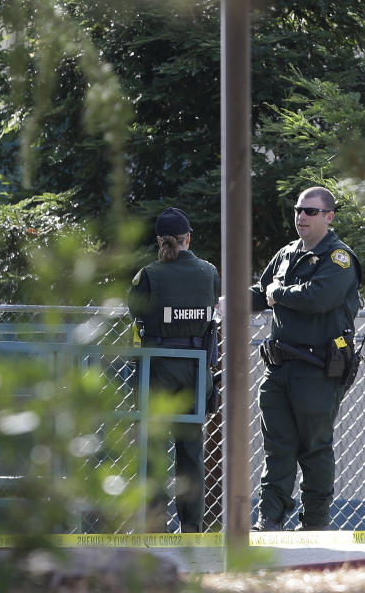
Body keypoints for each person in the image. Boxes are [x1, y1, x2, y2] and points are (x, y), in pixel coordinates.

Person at [249, 186, 362, 532]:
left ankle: (314, 523)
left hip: (317, 370)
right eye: (298, 210)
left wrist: (276, 294)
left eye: (310, 211)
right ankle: (269, 518)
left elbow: (319, 297)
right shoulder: (286, 254)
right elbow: (261, 290)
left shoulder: (339, 258)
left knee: (313, 448)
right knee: (278, 446)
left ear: (329, 217)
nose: (301, 216)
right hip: (280, 367)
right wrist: (233, 300)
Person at [127, 207, 220, 533]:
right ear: (188, 238)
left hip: (159, 369)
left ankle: (154, 525)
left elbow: (133, 311)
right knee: (191, 452)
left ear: (159, 240)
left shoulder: (149, 275)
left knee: (152, 450)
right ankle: (192, 527)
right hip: (195, 371)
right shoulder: (209, 272)